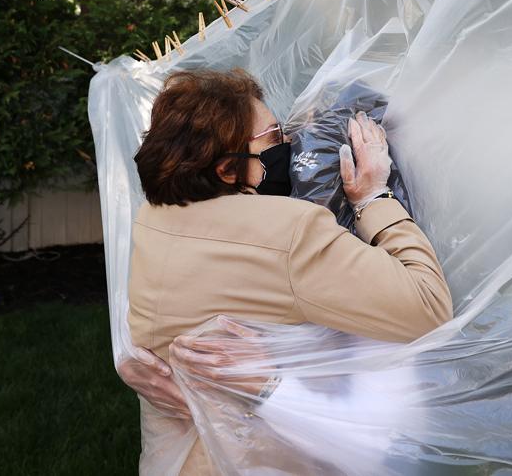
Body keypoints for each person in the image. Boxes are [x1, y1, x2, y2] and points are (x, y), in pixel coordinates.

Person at [122, 68, 453, 474]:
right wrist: (374, 198)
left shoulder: (152, 216)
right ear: (228, 169)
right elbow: (428, 309)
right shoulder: (289, 228)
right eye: (275, 137)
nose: (291, 147)